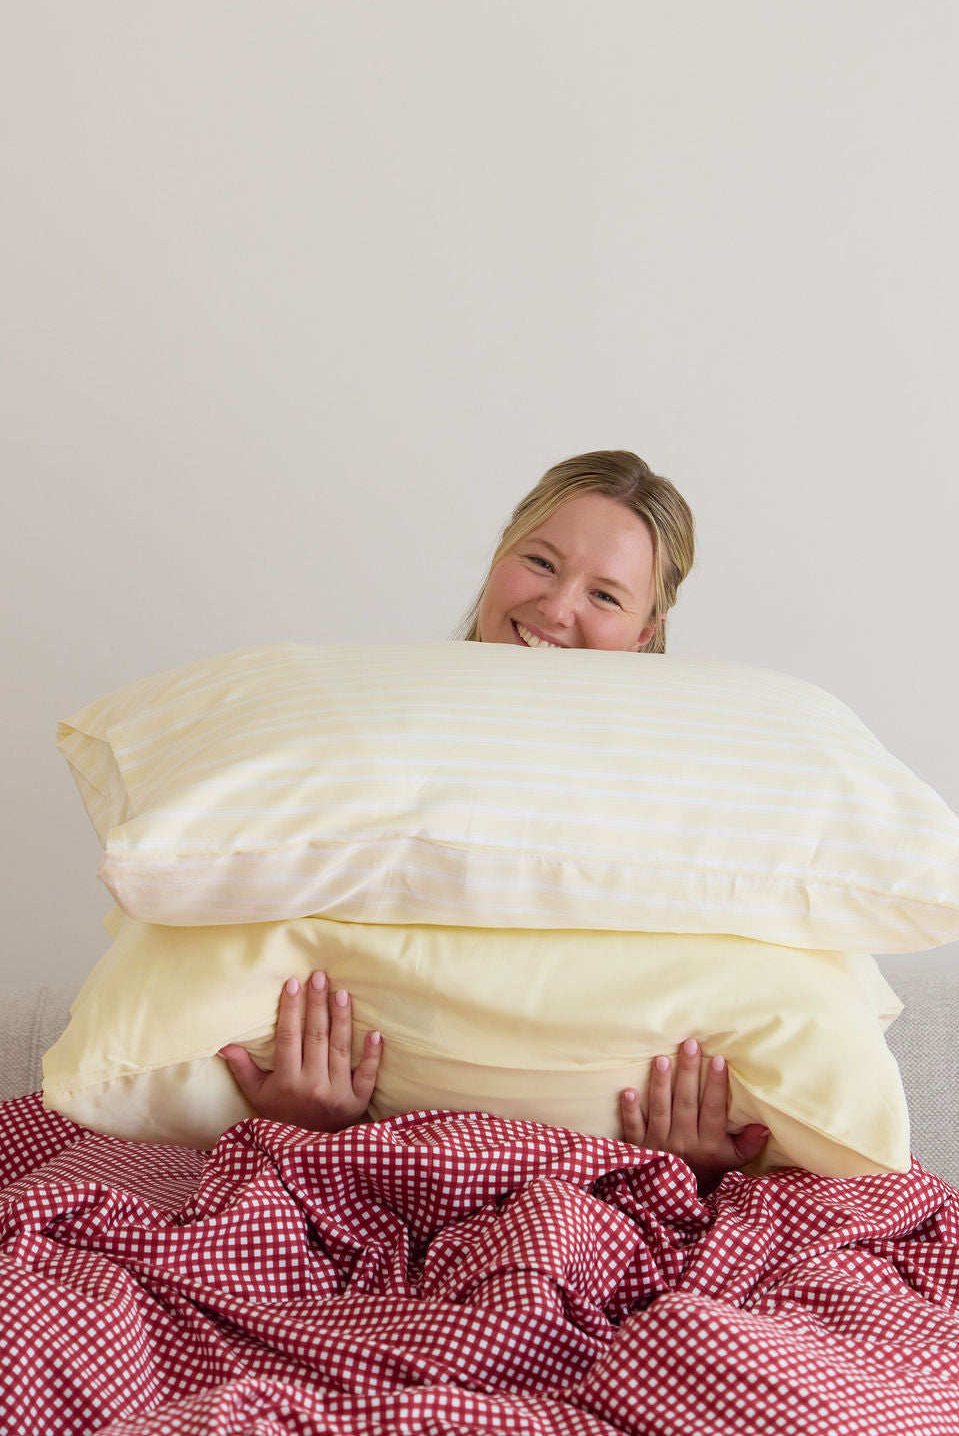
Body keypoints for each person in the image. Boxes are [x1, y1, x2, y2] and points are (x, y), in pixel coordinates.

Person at [218, 451, 771, 1194]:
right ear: (499, 554)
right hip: (366, 1168)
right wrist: (301, 1118)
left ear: (646, 633)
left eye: (605, 594)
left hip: (610, 1189)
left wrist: (689, 1163)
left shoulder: (683, 798)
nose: (556, 607)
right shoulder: (373, 742)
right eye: (539, 561)